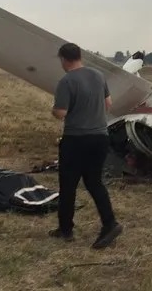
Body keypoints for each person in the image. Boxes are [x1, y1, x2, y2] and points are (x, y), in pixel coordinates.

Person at [49, 42, 122, 249]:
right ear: (80, 57)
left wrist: (54, 110)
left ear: (63, 59)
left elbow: (60, 113)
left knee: (68, 185)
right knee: (94, 182)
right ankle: (109, 223)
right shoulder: (98, 75)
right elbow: (109, 103)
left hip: (76, 139)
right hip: (100, 137)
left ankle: (65, 230)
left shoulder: (66, 81)